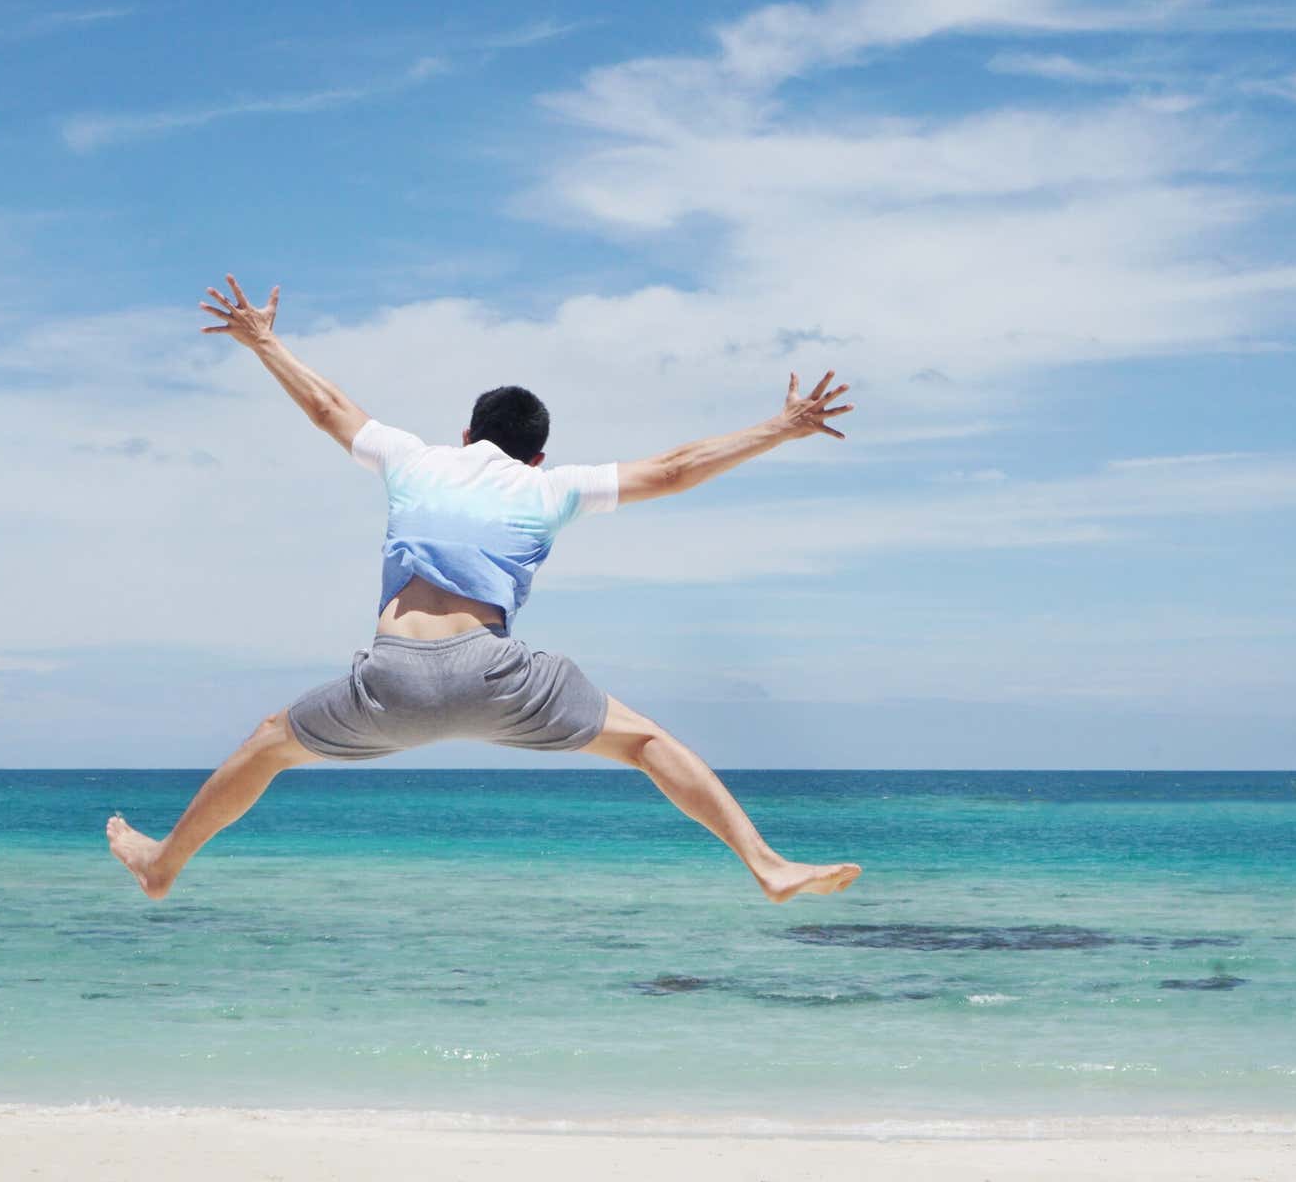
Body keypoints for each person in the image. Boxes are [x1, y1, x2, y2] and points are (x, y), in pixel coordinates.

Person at [108, 274, 860, 904]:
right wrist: (781, 426)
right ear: (538, 455)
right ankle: (766, 863)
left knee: (268, 744)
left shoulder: (415, 458)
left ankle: (164, 863)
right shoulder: (551, 486)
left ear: (465, 436)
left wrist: (262, 340)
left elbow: (327, 407)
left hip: (390, 682)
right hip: (498, 678)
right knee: (648, 743)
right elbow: (672, 468)